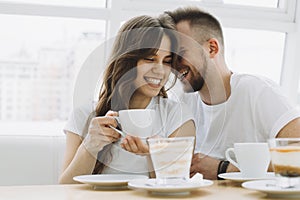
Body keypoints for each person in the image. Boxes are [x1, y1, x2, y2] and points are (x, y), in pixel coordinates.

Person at [164, 7, 300, 180]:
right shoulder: (185, 102)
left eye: (181, 53)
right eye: (170, 57)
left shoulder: (257, 91)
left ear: (212, 48)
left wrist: (224, 168)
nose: (173, 66)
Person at [59, 15, 195, 184]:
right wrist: (91, 145)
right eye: (150, 59)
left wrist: (152, 154)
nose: (160, 71)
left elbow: (176, 187)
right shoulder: (84, 115)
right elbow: (66, 188)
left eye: (167, 62)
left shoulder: (178, 116)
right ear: (127, 60)